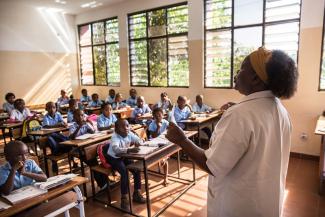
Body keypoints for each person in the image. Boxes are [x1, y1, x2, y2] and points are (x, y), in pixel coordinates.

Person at [166, 47, 298, 217]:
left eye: (242, 68)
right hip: (266, 204)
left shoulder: (240, 115)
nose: (236, 74)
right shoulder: (280, 110)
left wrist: (182, 140)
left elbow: (212, 164)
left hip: (239, 206)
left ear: (255, 78)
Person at [106, 119, 145, 211]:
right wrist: (129, 150)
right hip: (114, 157)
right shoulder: (115, 137)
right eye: (123, 127)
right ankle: (124, 198)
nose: (126, 128)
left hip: (124, 156)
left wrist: (139, 141)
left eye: (127, 126)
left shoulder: (129, 133)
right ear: (116, 129)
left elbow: (138, 140)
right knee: (124, 173)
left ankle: (137, 193)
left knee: (136, 170)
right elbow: (116, 149)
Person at [148, 107, 169, 186]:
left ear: (163, 115)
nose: (158, 118)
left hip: (164, 142)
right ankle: (161, 160)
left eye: (159, 115)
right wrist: (158, 128)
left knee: (164, 158)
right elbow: (154, 136)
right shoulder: (152, 124)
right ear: (153, 117)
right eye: (156, 116)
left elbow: (169, 132)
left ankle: (166, 177)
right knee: (162, 157)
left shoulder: (166, 123)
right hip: (154, 143)